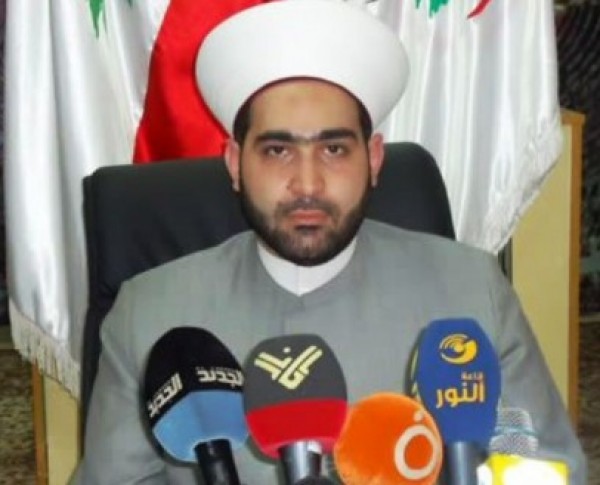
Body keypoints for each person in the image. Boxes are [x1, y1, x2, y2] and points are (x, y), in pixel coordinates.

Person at [73, 0, 587, 483]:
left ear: (374, 160)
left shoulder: (471, 291)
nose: (308, 183)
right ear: (234, 163)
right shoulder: (150, 315)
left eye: (335, 149)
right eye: (277, 151)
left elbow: (540, 462)